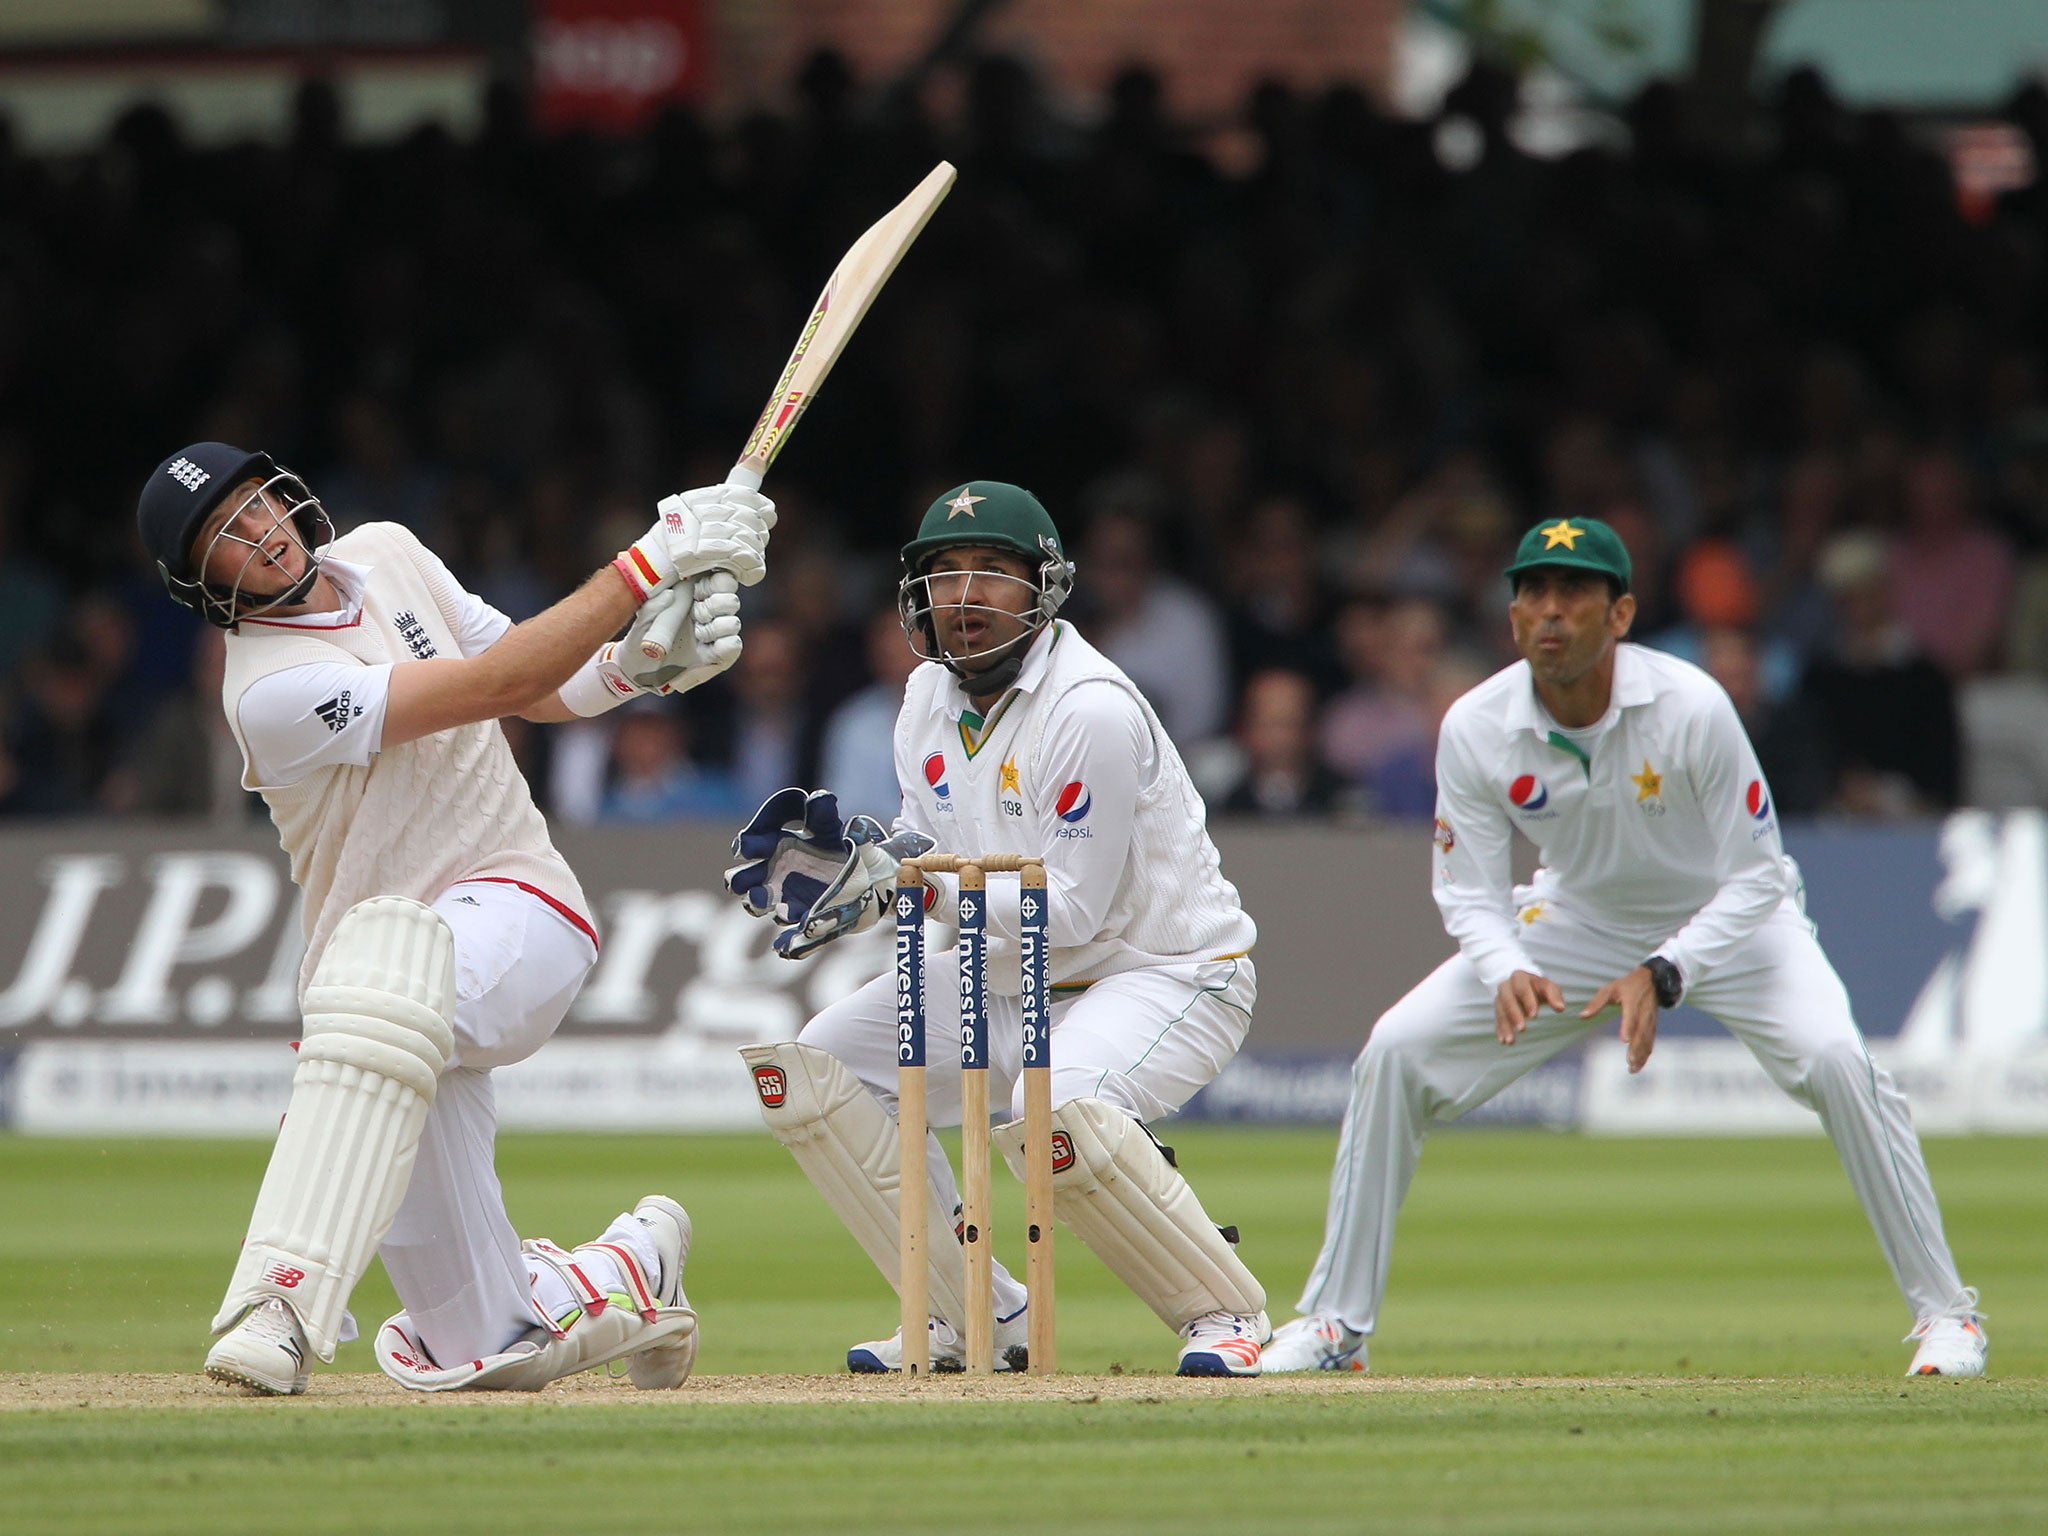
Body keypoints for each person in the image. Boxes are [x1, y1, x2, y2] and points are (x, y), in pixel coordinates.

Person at [1262, 516, 1986, 1379]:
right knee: (1395, 1052)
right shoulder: (1475, 726)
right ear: (1513, 617)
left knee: (1838, 1060)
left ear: (1622, 615)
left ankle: (1949, 1319)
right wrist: (1505, 968)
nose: (1552, 612)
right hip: (1575, 922)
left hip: (1733, 922)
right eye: (1533, 592)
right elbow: (1467, 889)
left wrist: (1667, 969)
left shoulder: (1691, 706)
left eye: (1575, 593)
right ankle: (1338, 1326)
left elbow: (1758, 876)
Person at [134, 440, 774, 1394]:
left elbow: (538, 677)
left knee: (380, 977)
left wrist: (637, 669)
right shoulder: (264, 693)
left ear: (284, 492)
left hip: (518, 904)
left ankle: (280, 1300)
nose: (259, 532)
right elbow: (494, 687)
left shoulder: (389, 551)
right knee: (486, 1349)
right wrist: (649, 565)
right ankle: (636, 1268)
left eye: (256, 502)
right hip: (383, 1011)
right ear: (202, 585)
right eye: (225, 536)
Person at [728, 482, 1269, 1375]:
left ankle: (1223, 1313)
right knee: (819, 1070)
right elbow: (929, 851)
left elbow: (1073, 911)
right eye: (943, 574)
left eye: (993, 573)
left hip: (1163, 973)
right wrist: (873, 879)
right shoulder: (923, 701)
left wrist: (920, 892)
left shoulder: (1088, 707)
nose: (966, 596)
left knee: (1055, 1102)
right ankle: (970, 1310)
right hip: (1011, 974)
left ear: (1045, 589)